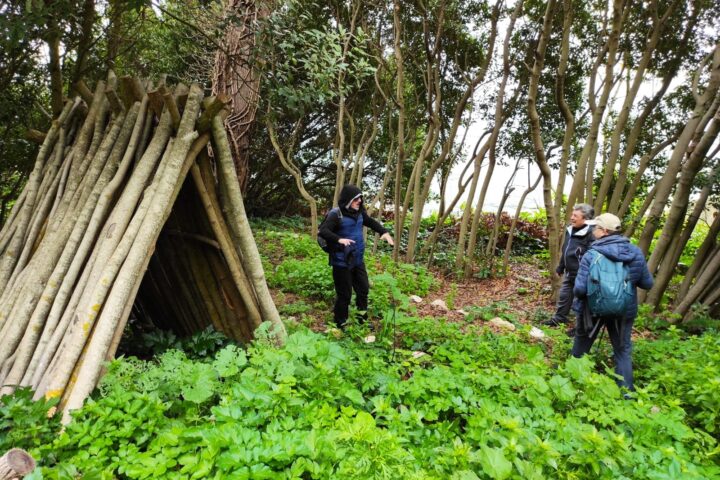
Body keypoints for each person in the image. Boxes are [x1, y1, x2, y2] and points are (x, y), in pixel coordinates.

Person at [571, 213, 653, 393]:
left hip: (592, 311)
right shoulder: (635, 253)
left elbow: (579, 290)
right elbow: (647, 284)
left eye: (596, 228)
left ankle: (570, 385)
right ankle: (626, 395)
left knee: (581, 347)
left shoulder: (591, 254)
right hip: (623, 310)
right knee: (622, 351)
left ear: (604, 231)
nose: (593, 230)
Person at [318, 185, 394, 329]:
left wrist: (383, 232)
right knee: (345, 294)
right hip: (341, 262)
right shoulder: (336, 214)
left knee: (363, 289)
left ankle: (362, 320)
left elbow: (370, 222)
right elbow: (323, 231)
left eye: (360, 198)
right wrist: (339, 239)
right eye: (356, 199)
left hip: (358, 260)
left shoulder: (359, 213)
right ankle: (340, 322)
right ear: (348, 200)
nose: (359, 201)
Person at [544, 203, 595, 327]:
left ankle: (580, 327)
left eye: (575, 216)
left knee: (580, 301)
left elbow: (592, 256)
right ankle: (559, 318)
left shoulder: (592, 233)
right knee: (565, 296)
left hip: (583, 274)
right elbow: (565, 249)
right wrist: (561, 266)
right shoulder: (570, 229)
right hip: (569, 272)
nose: (572, 218)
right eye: (572, 215)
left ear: (585, 219)